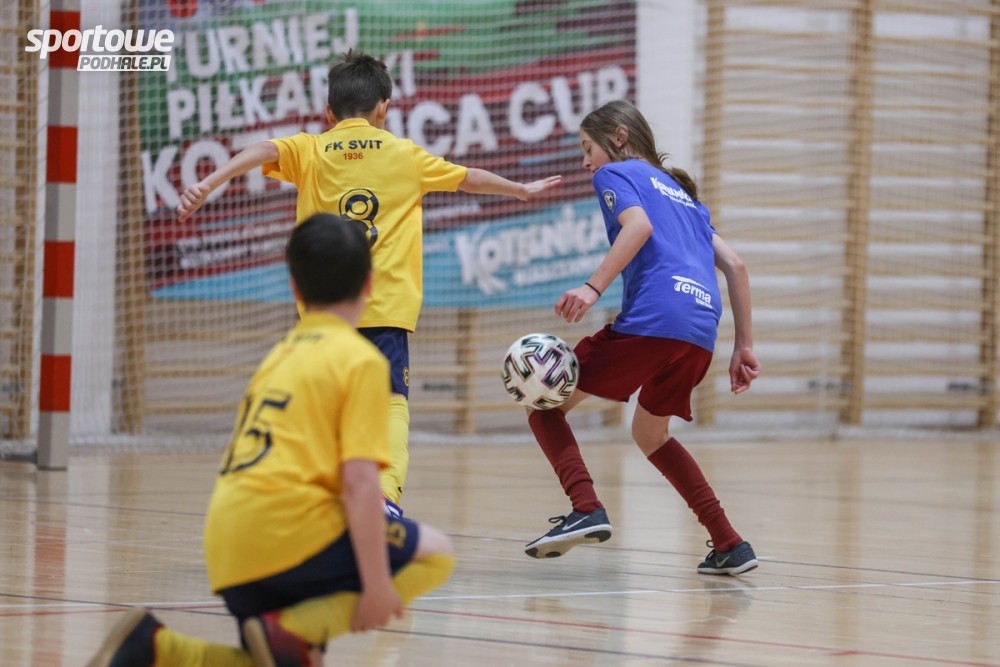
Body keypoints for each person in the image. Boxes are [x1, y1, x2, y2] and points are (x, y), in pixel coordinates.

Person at [176, 50, 561, 515]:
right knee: (391, 402)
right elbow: (469, 179)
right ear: (384, 107)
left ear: (328, 111)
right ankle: (384, 495)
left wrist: (209, 183)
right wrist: (519, 189)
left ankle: (312, 495)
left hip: (324, 311)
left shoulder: (312, 149)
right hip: (385, 307)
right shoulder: (405, 154)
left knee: (324, 406)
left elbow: (264, 150)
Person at [87, 214, 455, 667]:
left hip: (227, 545)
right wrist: (377, 586)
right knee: (436, 554)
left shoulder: (277, 357)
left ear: (295, 288)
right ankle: (301, 626)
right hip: (287, 536)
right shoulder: (359, 361)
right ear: (370, 284)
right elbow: (361, 484)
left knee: (289, 659)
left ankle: (159, 650)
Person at [522, 100, 761, 575]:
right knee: (650, 433)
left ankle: (585, 507)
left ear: (619, 137)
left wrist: (592, 288)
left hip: (657, 317)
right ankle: (729, 543)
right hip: (700, 329)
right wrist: (744, 346)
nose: (585, 161)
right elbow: (735, 266)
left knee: (543, 402)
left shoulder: (615, 174)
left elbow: (638, 226)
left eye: (588, 148)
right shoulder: (685, 196)